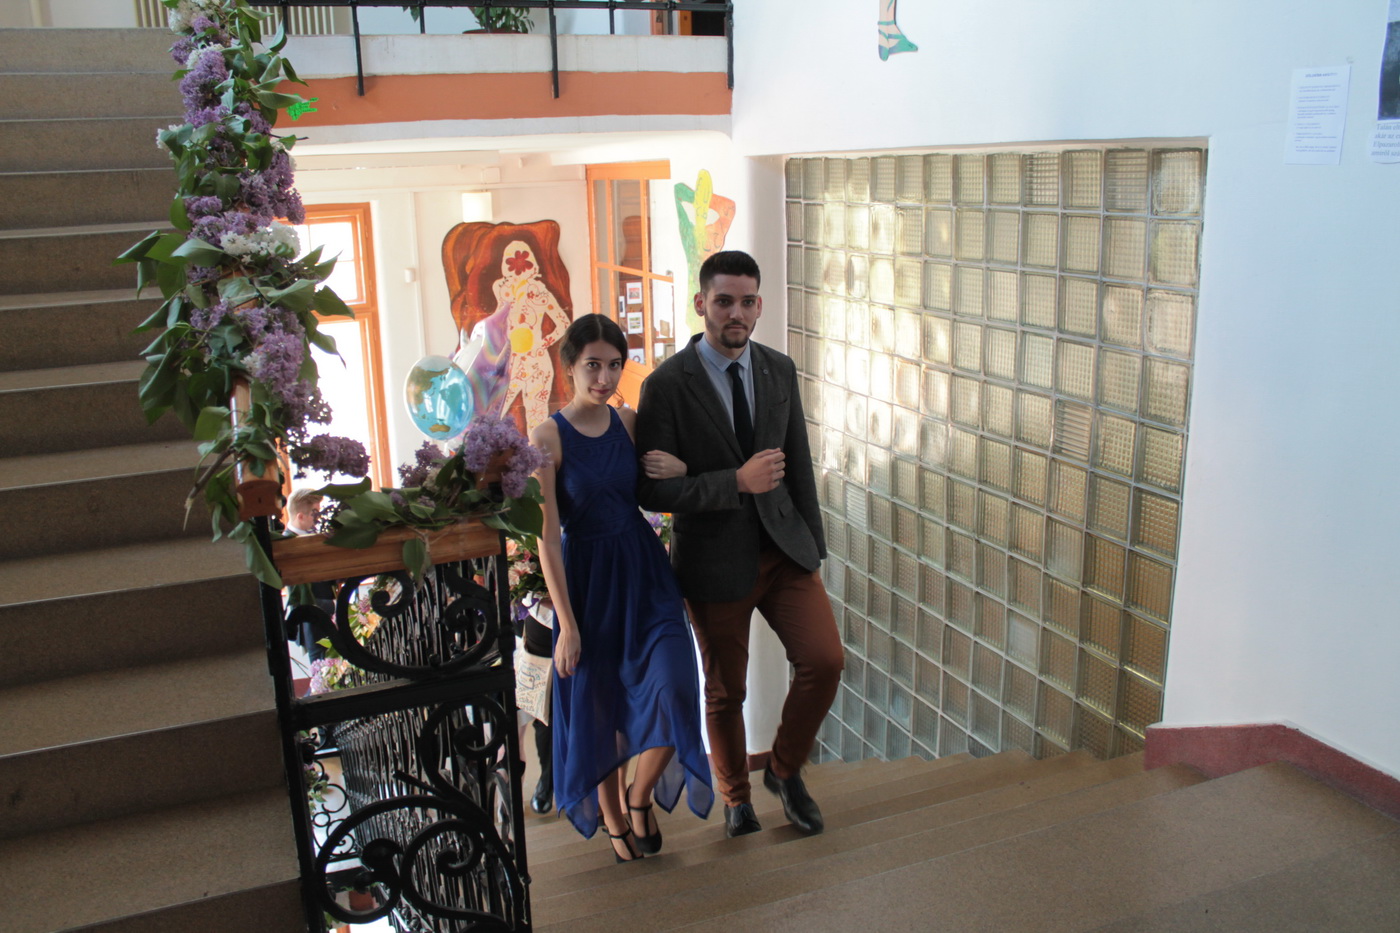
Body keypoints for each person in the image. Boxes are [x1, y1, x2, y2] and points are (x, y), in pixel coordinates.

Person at [635, 249, 843, 839]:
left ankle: (784, 770)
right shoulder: (666, 385)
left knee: (825, 661)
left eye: (747, 302)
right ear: (701, 303)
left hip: (784, 551)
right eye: (724, 301)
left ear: (759, 305)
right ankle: (735, 799)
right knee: (727, 692)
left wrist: (812, 547)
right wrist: (734, 482)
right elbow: (651, 489)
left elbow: (797, 462)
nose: (737, 313)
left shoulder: (779, 369)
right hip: (713, 563)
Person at [530, 313, 714, 862]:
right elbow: (546, 537)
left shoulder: (629, 422)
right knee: (600, 706)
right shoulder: (547, 437)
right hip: (588, 580)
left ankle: (639, 797)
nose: (605, 378)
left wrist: (679, 466)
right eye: (593, 365)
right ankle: (614, 822)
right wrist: (567, 624)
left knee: (676, 686)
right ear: (569, 366)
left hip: (644, 571)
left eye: (614, 365)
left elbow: (662, 480)